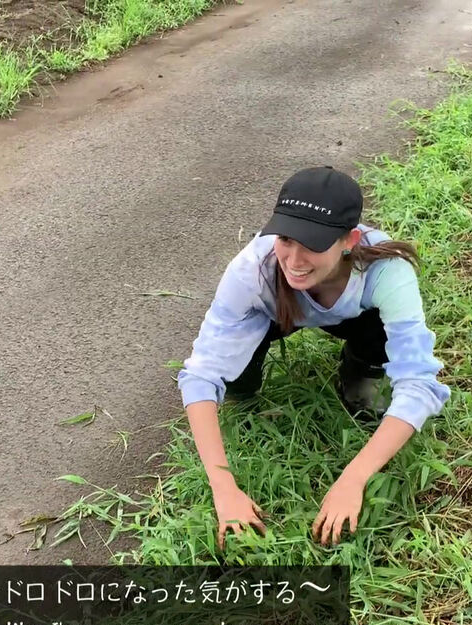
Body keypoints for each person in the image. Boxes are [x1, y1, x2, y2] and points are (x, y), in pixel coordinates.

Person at [177, 166, 451, 550]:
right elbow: (200, 375)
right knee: (237, 383)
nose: (294, 258)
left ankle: (360, 371)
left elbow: (419, 382)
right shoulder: (254, 270)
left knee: (372, 386)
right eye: (286, 238)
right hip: (276, 315)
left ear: (349, 240)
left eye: (313, 244)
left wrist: (353, 479)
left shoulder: (386, 271)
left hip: (356, 316)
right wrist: (223, 488)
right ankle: (248, 381)